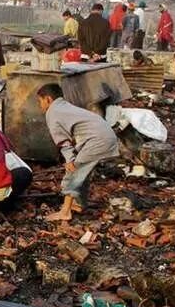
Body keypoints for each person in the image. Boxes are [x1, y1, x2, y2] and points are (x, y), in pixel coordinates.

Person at [36, 84, 119, 222]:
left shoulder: (53, 112)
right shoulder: (64, 106)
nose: (40, 105)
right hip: (105, 134)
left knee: (74, 171)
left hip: (97, 140)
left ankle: (65, 212)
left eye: (40, 101)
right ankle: (79, 204)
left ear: (48, 99)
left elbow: (62, 140)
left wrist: (69, 159)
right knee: (82, 171)